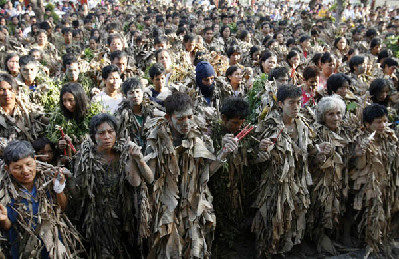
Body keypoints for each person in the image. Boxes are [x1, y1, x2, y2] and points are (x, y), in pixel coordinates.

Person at [145, 92, 235, 258]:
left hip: (193, 204)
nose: (186, 123)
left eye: (189, 117)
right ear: (168, 117)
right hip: (167, 206)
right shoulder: (157, 139)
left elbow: (206, 173)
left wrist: (223, 155)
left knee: (194, 249)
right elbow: (150, 177)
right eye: (180, 118)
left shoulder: (199, 137)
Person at [252, 84, 328, 256]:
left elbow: (309, 152)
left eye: (299, 102)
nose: (296, 107)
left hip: (297, 183)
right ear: (280, 104)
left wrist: (318, 151)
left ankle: (289, 249)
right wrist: (262, 150)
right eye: (291, 103)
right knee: (274, 221)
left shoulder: (303, 125)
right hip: (276, 184)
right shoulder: (270, 125)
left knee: (294, 219)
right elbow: (255, 155)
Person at [69, 113, 153, 258]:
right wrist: (68, 180)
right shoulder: (86, 158)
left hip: (126, 219)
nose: (107, 136)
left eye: (110, 132)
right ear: (93, 136)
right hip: (99, 223)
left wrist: (139, 160)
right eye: (101, 133)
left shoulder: (126, 153)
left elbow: (149, 179)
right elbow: (79, 194)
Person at [0, 140, 84, 258]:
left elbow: (62, 208)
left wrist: (59, 190)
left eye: (28, 164)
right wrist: (3, 220)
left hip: (52, 249)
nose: (25, 171)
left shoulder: (47, 180)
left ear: (35, 160)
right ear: (7, 168)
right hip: (23, 250)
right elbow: (8, 226)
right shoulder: (5, 192)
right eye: (18, 167)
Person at [351, 104, 399, 253]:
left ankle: (383, 240)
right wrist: (360, 153)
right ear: (367, 124)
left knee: (387, 211)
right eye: (378, 122)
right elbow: (359, 165)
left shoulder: (389, 137)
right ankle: (371, 244)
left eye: (384, 121)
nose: (382, 125)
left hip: (387, 184)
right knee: (372, 214)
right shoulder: (362, 139)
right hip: (371, 187)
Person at [309, 96, 352, 254]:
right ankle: (318, 240)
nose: (336, 118)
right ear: (322, 116)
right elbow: (309, 157)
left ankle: (334, 238)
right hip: (322, 182)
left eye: (338, 113)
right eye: (330, 114)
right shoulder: (318, 133)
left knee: (337, 208)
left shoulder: (345, 132)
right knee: (321, 209)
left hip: (339, 180)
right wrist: (318, 154)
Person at [115, 77, 161, 148]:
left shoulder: (152, 111)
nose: (135, 96)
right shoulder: (121, 116)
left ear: (142, 93)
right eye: (131, 93)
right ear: (125, 96)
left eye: (137, 91)